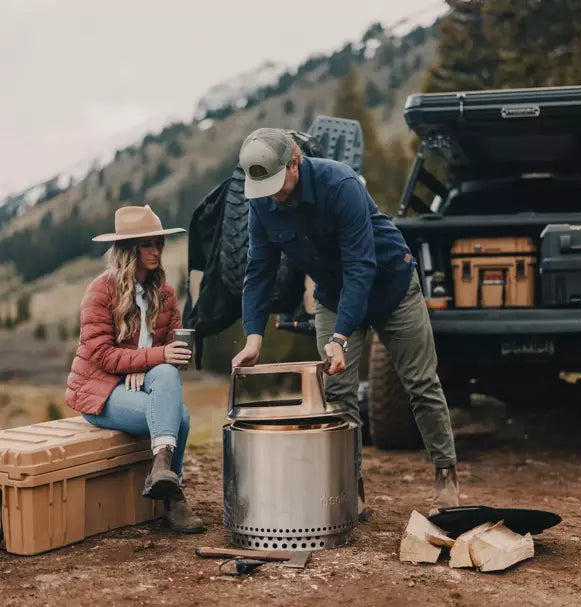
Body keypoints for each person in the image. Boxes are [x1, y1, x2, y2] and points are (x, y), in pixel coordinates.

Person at [231, 128, 459, 515]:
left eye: (275, 183)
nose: (271, 194)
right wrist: (253, 336)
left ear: (295, 163)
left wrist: (340, 336)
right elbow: (259, 270)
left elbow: (360, 264)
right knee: (338, 395)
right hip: (334, 295)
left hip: (391, 286)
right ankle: (350, 489)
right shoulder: (262, 203)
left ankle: (445, 475)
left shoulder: (339, 183)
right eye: (262, 187)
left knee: (420, 383)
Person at [66, 204, 204, 533]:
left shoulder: (165, 294)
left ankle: (161, 473)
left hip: (145, 386)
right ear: (128, 249)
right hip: (100, 392)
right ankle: (172, 497)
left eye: (158, 243)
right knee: (179, 417)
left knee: (168, 375)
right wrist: (152, 358)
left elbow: (170, 357)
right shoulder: (101, 291)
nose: (155, 251)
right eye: (147, 244)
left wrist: (164, 358)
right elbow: (101, 355)